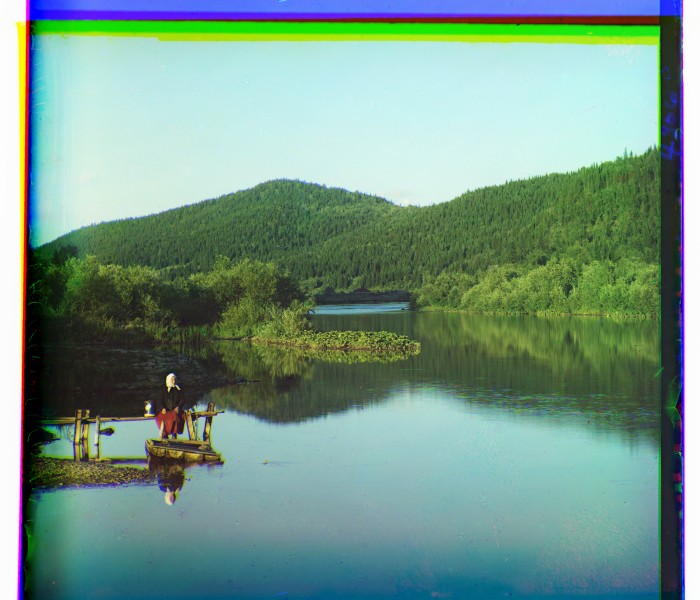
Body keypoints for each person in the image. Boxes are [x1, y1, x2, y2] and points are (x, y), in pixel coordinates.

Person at [155, 372, 185, 440]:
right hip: (165, 410)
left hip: (174, 410)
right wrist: (162, 408)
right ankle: (165, 435)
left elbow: (182, 400)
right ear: (169, 380)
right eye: (172, 380)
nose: (174, 381)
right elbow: (159, 400)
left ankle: (174, 434)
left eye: (175, 380)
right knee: (161, 418)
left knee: (175, 417)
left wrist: (178, 407)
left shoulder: (178, 389)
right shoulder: (163, 389)